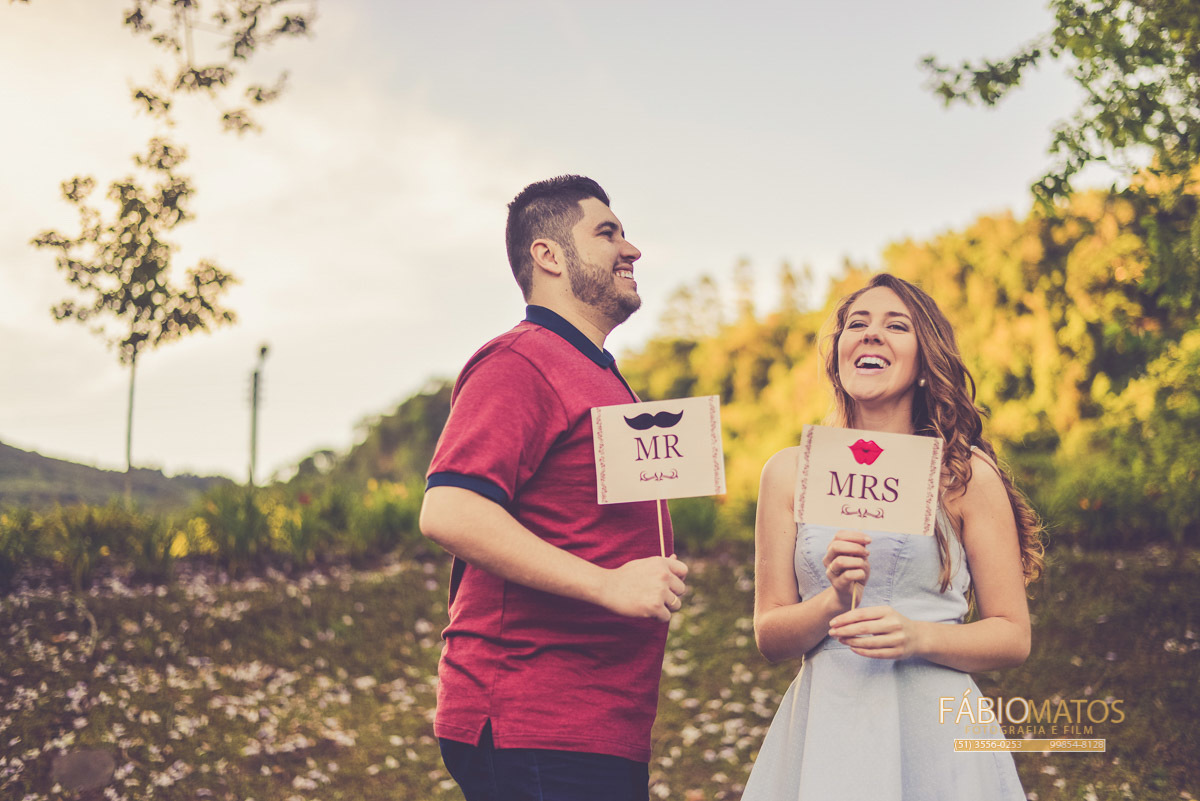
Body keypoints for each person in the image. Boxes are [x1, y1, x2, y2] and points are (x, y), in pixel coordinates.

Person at [419, 175, 688, 801]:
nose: (633, 249)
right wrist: (608, 583)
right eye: (608, 232)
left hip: (599, 723)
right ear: (549, 255)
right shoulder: (519, 360)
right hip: (532, 718)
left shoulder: (598, 374)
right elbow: (449, 510)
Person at [742, 273, 1044, 800]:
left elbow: (1013, 635)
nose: (871, 333)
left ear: (926, 362)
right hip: (828, 725)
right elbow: (770, 636)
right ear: (838, 354)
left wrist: (919, 637)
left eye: (895, 325)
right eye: (856, 323)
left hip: (935, 723)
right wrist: (832, 599)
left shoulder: (964, 475)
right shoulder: (789, 472)